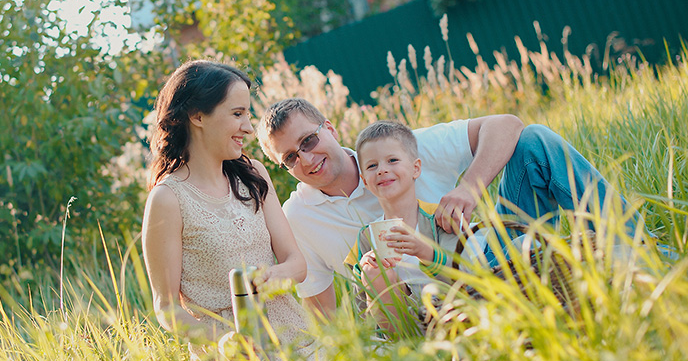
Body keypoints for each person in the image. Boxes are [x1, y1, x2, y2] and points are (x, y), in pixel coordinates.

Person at [257, 98, 631, 321]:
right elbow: (325, 313)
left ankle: (635, 252)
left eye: (309, 140)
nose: (306, 158)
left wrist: (469, 187)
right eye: (290, 157)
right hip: (434, 302)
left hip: (487, 251)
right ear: (283, 167)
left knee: (534, 140)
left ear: (330, 128)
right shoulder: (299, 218)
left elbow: (507, 125)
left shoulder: (395, 148)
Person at [141, 60, 321, 361]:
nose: (249, 127)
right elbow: (166, 307)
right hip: (232, 359)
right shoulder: (168, 199)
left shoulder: (253, 175)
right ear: (197, 116)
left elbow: (297, 264)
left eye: (247, 114)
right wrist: (224, 341)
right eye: (237, 114)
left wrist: (271, 278)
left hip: (295, 336)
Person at [352, 120, 487, 334]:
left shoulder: (439, 218)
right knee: (373, 273)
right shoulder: (367, 236)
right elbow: (361, 307)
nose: (382, 170)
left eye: (392, 160)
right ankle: (406, 349)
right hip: (403, 326)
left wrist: (423, 251)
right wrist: (365, 272)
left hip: (452, 313)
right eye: (372, 166)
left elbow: (466, 276)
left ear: (416, 168)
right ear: (365, 181)